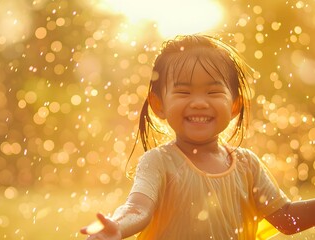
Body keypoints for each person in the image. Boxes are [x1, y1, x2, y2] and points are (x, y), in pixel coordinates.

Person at [80, 34, 315, 239]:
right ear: (158, 105)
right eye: (183, 92)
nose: (199, 103)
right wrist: (118, 226)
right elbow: (137, 208)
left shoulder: (248, 165)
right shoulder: (159, 163)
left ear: (234, 106)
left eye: (213, 92)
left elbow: (286, 219)